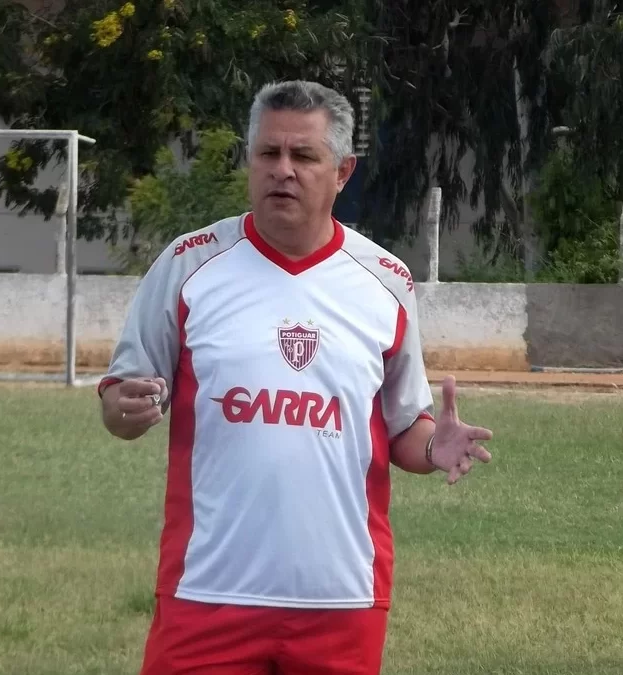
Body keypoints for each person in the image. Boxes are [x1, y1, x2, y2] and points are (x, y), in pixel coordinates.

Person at [98, 80, 494, 675]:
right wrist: (122, 410)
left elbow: (403, 427)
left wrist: (435, 443)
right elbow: (120, 399)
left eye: (304, 156)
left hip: (341, 597)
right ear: (250, 159)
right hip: (207, 593)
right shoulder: (189, 263)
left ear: (343, 171)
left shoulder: (386, 281)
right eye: (269, 152)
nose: (283, 170)